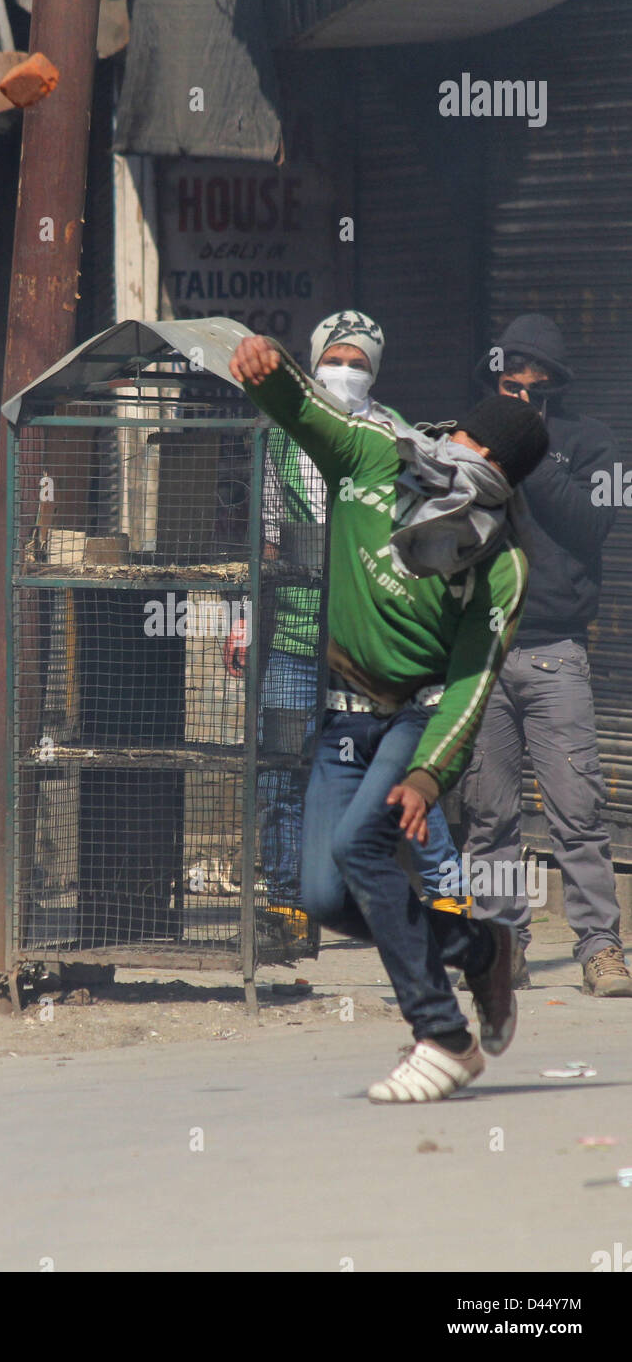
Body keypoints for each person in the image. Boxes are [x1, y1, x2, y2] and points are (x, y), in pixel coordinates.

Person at [230, 331, 549, 1102]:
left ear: (498, 476)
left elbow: (472, 682)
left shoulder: (496, 563)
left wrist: (426, 773)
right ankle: (479, 950)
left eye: (475, 450)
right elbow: (310, 417)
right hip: (342, 714)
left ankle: (440, 1036)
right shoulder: (376, 458)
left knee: (360, 849)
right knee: (323, 894)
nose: (453, 452)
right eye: (457, 436)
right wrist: (268, 375)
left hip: (419, 717)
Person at [224, 312, 473, 939]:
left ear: (375, 372)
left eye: (358, 363)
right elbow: (266, 538)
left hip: (368, 647)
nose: (344, 372)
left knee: (402, 779)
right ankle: (284, 906)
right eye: (334, 360)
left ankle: (449, 903)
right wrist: (242, 618)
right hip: (294, 636)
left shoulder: (399, 436)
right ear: (312, 363)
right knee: (281, 766)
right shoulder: (280, 432)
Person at [458, 314, 632, 996]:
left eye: (536, 393)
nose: (522, 403)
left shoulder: (592, 443)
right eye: (508, 389)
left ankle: (599, 948)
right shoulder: (468, 440)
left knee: (577, 814)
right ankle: (502, 944)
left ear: (555, 389)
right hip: (481, 653)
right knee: (487, 816)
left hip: (556, 654)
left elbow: (592, 524)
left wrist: (523, 454)